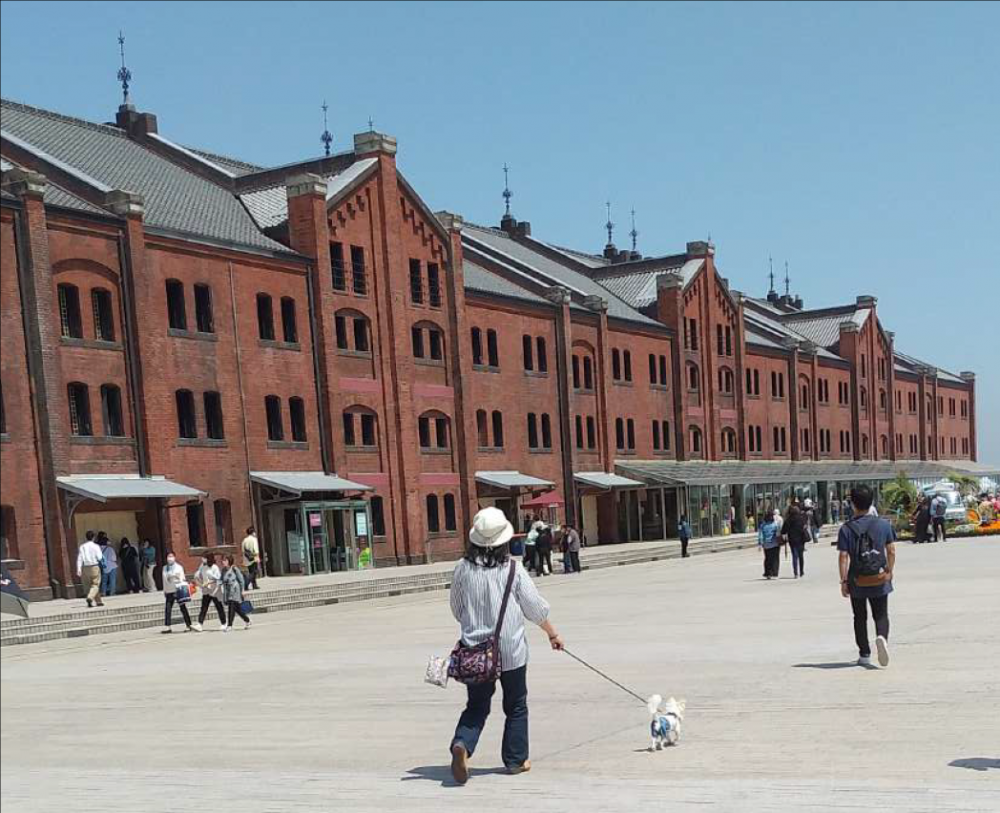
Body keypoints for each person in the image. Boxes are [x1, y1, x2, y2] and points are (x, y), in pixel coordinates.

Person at [448, 507, 564, 784]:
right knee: (516, 705)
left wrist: (474, 626)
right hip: (511, 651)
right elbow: (534, 608)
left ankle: (462, 743)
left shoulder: (462, 569)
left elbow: (457, 608)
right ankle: (515, 760)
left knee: (477, 705)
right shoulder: (513, 568)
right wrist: (552, 634)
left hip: (476, 653)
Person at [838, 484, 895, 667]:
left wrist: (844, 580)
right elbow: (891, 550)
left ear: (853, 504)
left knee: (859, 617)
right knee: (881, 614)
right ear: (871, 502)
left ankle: (864, 654)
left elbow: (843, 556)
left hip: (857, 579)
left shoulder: (846, 528)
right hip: (879, 577)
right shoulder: (883, 524)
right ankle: (882, 637)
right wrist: (889, 570)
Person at [161, 551, 194, 633]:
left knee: (183, 608)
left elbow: (182, 578)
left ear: (174, 557)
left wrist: (175, 577)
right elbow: (164, 580)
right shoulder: (165, 568)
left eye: (171, 556)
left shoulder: (179, 567)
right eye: (168, 556)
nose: (170, 558)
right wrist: (165, 591)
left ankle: (188, 625)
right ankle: (168, 627)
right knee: (168, 608)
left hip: (178, 590)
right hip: (169, 591)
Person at [194, 553, 226, 630]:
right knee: (204, 607)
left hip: (215, 590)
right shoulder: (202, 566)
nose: (203, 559)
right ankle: (200, 624)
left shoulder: (214, 567)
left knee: (219, 607)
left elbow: (218, 578)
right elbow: (199, 575)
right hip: (206, 590)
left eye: (204, 558)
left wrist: (209, 582)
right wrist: (199, 581)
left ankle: (224, 623)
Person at [221, 554, 251, 632]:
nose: (223, 562)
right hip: (227, 591)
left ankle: (229, 625)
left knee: (231, 607)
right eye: (222, 560)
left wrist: (243, 590)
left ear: (229, 561)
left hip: (235, 591)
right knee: (237, 609)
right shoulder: (223, 570)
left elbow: (241, 580)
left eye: (225, 560)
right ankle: (247, 620)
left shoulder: (234, 569)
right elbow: (221, 580)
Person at [75, 530, 105, 608]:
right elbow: (99, 557)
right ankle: (90, 598)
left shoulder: (82, 546)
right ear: (93, 537)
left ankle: (98, 601)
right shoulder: (96, 546)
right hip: (94, 566)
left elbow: (80, 558)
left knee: (90, 585)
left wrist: (79, 569)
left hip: (85, 567)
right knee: (95, 584)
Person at [783, 501, 809, 578]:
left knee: (794, 556)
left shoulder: (788, 520)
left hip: (792, 540)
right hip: (801, 539)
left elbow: (783, 531)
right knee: (801, 556)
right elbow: (805, 527)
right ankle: (801, 571)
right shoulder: (801, 518)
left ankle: (795, 573)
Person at [758, 512, 781, 579]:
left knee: (767, 559)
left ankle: (768, 573)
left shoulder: (763, 525)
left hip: (766, 545)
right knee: (775, 559)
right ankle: (775, 573)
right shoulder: (775, 524)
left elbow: (760, 535)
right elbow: (778, 533)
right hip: (775, 544)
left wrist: (760, 543)